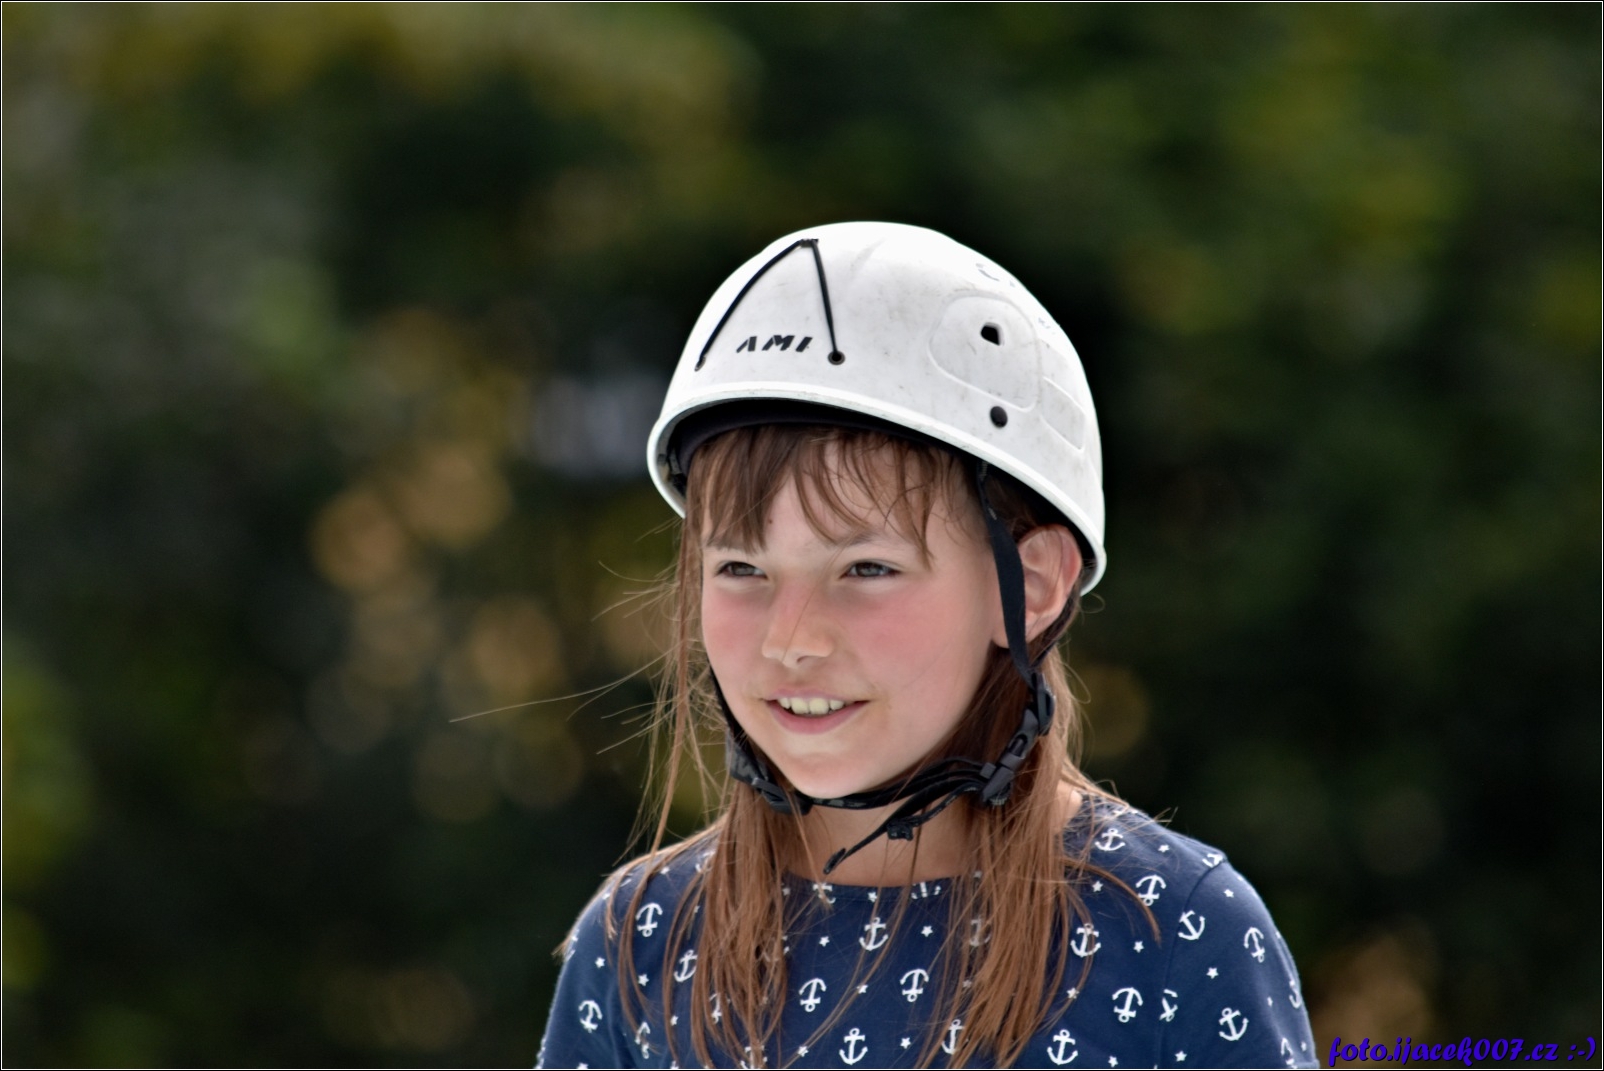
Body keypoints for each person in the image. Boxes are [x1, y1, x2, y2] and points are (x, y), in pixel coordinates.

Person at [536, 222, 1317, 1069]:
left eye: (867, 568)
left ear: (1032, 585)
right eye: (741, 568)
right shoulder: (639, 947)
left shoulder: (1176, 937)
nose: (791, 639)